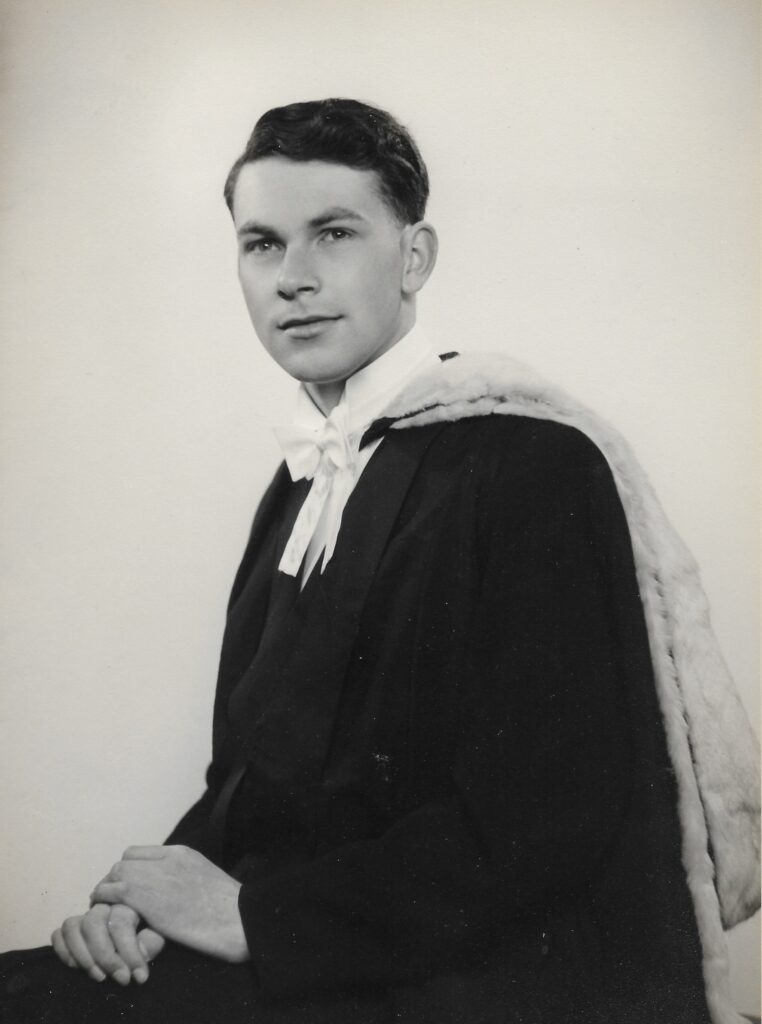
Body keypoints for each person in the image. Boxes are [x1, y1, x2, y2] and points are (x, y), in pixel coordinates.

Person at [1, 98, 758, 1024]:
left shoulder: (531, 463)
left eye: (333, 234)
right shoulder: (297, 489)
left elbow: (545, 823)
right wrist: (140, 906)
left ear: (414, 258)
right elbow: (250, 783)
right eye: (262, 245)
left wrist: (255, 918)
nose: (293, 278)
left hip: (475, 984)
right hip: (325, 956)